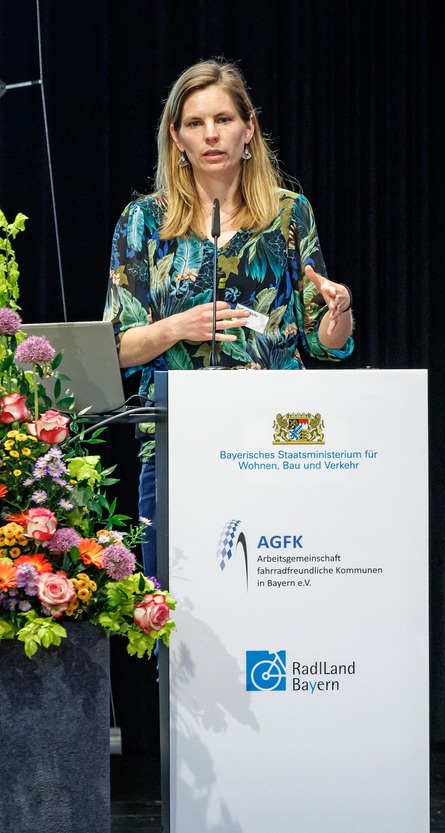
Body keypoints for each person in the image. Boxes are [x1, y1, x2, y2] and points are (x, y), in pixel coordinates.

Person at [105, 59, 355, 576]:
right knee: (175, 612)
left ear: (249, 129)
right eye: (195, 124)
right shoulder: (143, 221)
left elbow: (324, 342)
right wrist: (179, 326)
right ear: (176, 137)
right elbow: (118, 348)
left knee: (276, 596)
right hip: (179, 442)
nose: (211, 134)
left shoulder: (290, 214)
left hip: (278, 442)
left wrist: (339, 311)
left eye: (223, 119)